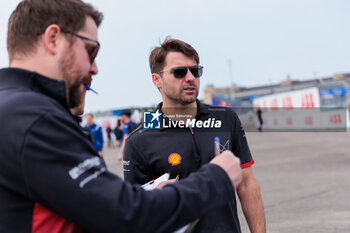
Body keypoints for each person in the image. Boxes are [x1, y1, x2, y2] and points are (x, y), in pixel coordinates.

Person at [0, 1, 243, 232]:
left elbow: (81, 210)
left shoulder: (12, 109)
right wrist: (216, 178)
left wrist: (155, 195)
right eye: (91, 51)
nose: (95, 68)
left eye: (195, 71)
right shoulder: (35, 119)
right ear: (53, 39)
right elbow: (125, 216)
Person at [124, 38, 266, 233]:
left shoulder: (226, 119)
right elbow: (135, 214)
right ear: (156, 80)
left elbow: (247, 182)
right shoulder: (139, 140)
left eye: (195, 71)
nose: (190, 78)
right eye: (180, 72)